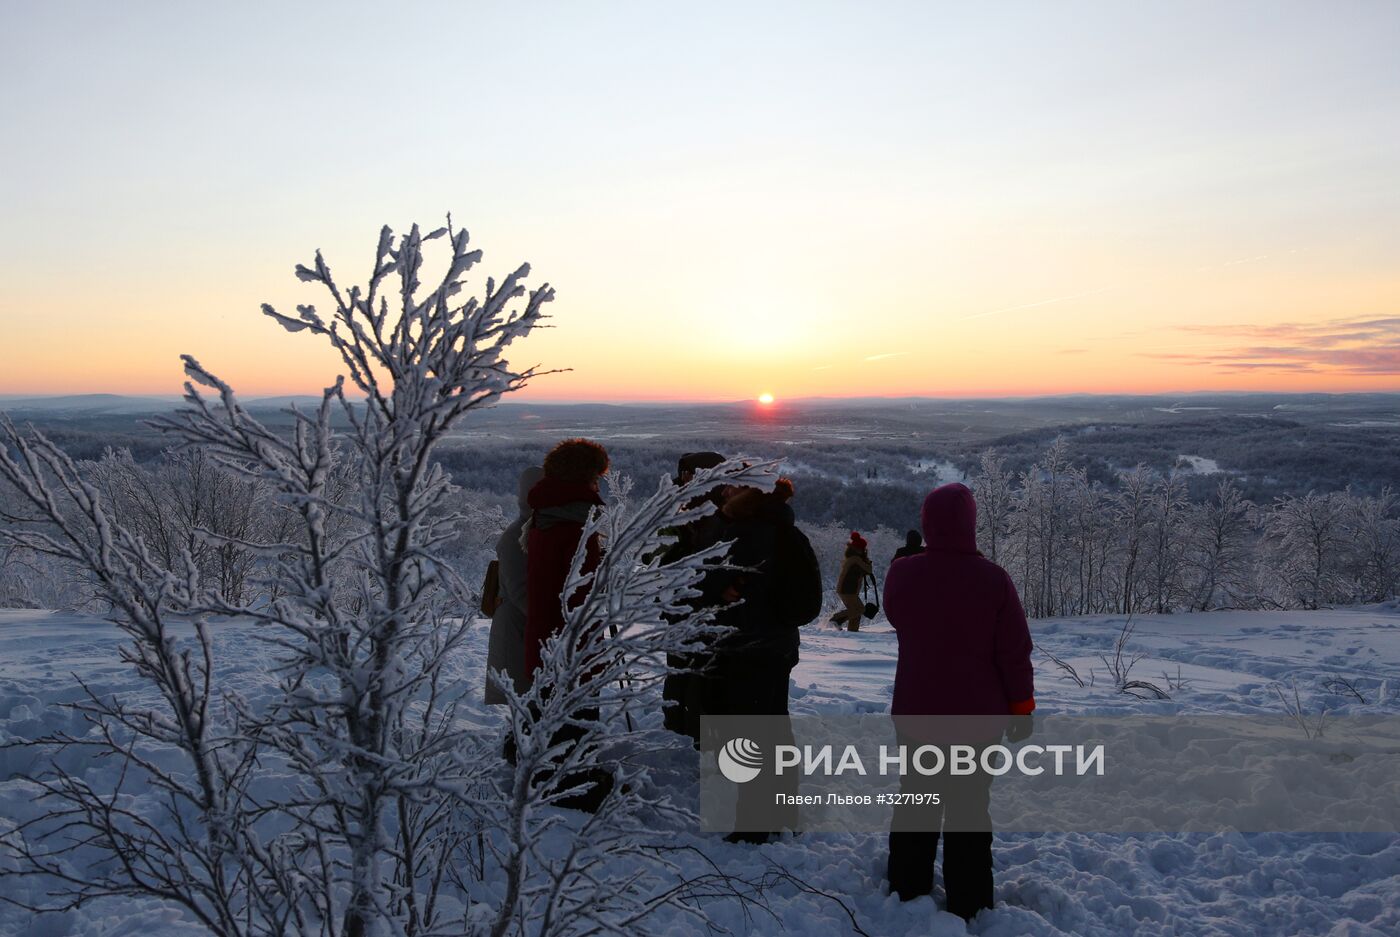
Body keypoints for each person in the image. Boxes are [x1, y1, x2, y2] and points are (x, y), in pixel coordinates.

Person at [881, 482, 1035, 921]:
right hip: (977, 723)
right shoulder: (994, 581)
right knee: (969, 807)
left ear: (927, 523)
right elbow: (1013, 652)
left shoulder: (904, 574)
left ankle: (907, 890)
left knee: (917, 799)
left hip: (917, 716)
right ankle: (970, 901)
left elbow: (895, 613)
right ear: (971, 525)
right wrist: (1021, 708)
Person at [702, 478, 822, 843]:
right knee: (776, 728)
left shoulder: (742, 537)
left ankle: (753, 825)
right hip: (780, 646)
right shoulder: (788, 532)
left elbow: (711, 588)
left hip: (745, 646)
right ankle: (785, 810)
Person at [522, 438, 611, 811]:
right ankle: (570, 784)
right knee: (572, 708)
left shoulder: (548, 514)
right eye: (596, 477)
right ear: (584, 477)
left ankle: (550, 771)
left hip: (546, 632)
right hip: (570, 637)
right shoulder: (573, 525)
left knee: (551, 705)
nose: (598, 486)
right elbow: (578, 592)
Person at [659, 451, 728, 741]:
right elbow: (657, 549)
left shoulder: (711, 507)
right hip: (686, 598)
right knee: (688, 664)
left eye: (690, 474)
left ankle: (686, 722)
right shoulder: (682, 507)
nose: (684, 479)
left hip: (690, 599)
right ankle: (683, 723)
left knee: (692, 664)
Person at [484, 465, 544, 704]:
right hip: (517, 634)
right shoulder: (515, 537)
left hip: (525, 632)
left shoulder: (533, 529)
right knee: (526, 708)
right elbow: (521, 594)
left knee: (531, 707)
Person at [830, 531, 874, 631]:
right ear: (859, 549)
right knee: (860, 609)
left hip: (847, 589)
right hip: (847, 589)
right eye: (863, 548)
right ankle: (836, 619)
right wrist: (868, 562)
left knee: (856, 613)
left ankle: (853, 632)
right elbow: (868, 570)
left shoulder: (851, 558)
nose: (864, 550)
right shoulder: (856, 559)